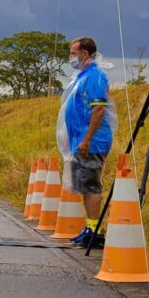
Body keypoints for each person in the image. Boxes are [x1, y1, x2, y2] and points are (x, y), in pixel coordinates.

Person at [62, 37, 114, 246]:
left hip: (91, 141)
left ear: (84, 54)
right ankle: (90, 227)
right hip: (81, 140)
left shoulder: (95, 76)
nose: (70, 58)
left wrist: (87, 139)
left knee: (91, 185)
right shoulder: (82, 76)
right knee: (84, 185)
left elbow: (99, 108)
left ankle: (95, 231)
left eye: (73, 53)